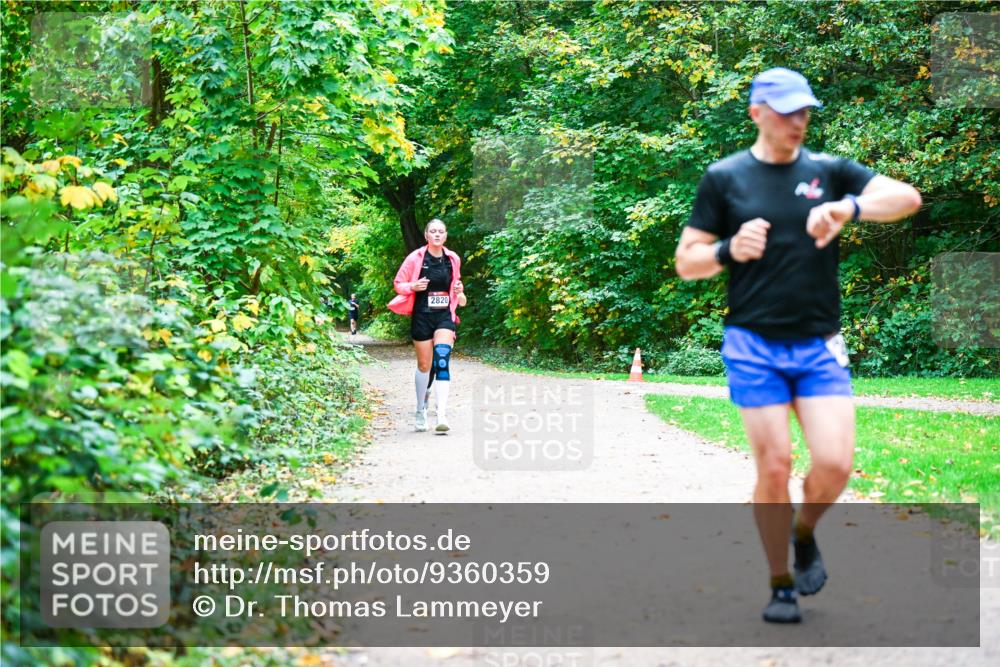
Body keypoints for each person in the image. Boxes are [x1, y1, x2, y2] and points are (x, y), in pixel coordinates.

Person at [675, 67, 922, 624]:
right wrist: (727, 250)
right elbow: (686, 260)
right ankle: (780, 582)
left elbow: (906, 197)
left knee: (834, 464)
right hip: (753, 343)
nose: (798, 121)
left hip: (818, 343)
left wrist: (847, 208)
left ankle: (804, 531)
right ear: (757, 112)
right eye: (786, 111)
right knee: (775, 463)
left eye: (805, 110)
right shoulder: (725, 178)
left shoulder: (829, 172)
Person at [388, 219, 467, 433]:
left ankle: (441, 414)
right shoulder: (415, 258)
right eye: (433, 231)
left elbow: (457, 287)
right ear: (426, 235)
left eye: (441, 231)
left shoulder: (452, 259)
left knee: (442, 358)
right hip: (422, 315)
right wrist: (413, 286)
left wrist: (459, 290)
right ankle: (421, 408)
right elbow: (398, 284)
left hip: (444, 316)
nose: (437, 234)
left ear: (446, 235)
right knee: (424, 366)